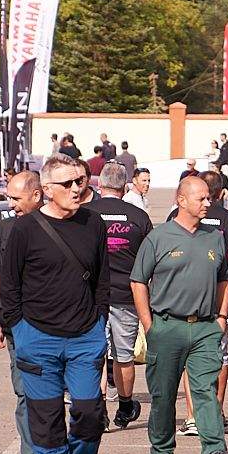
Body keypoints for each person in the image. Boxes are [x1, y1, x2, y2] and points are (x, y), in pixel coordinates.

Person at [0, 153, 107, 454]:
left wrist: (98, 323)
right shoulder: (23, 230)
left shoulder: (93, 223)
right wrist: (18, 328)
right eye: (68, 184)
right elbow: (8, 286)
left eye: (82, 181)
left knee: (90, 412)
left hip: (84, 336)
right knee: (44, 417)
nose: (77, 189)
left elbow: (102, 280)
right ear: (46, 190)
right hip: (37, 338)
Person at [131, 174, 228, 454]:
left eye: (209, 198)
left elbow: (223, 280)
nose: (208, 202)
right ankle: (161, 453)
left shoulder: (214, 237)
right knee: (163, 395)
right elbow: (138, 281)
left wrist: (220, 318)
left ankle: (215, 452)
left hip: (204, 329)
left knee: (205, 390)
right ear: (181, 200)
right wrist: (149, 325)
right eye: (201, 198)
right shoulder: (159, 237)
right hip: (167, 327)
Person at [0, 171, 42, 454]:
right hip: (19, 327)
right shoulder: (4, 230)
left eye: (16, 199)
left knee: (59, 393)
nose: (12, 205)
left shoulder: (58, 226)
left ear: (37, 195)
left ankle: (56, 451)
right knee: (25, 391)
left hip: (59, 324)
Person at [184, 170, 228, 432]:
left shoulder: (181, 216)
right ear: (221, 192)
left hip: (187, 299)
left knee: (190, 358)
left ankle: (191, 417)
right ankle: (216, 412)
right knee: (220, 357)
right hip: (222, 300)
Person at [94, 161, 154, 430]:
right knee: (123, 356)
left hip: (91, 297)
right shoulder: (138, 217)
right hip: (127, 295)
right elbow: (152, 260)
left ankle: (99, 412)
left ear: (99, 184)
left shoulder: (85, 214)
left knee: (94, 356)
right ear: (126, 186)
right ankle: (125, 405)